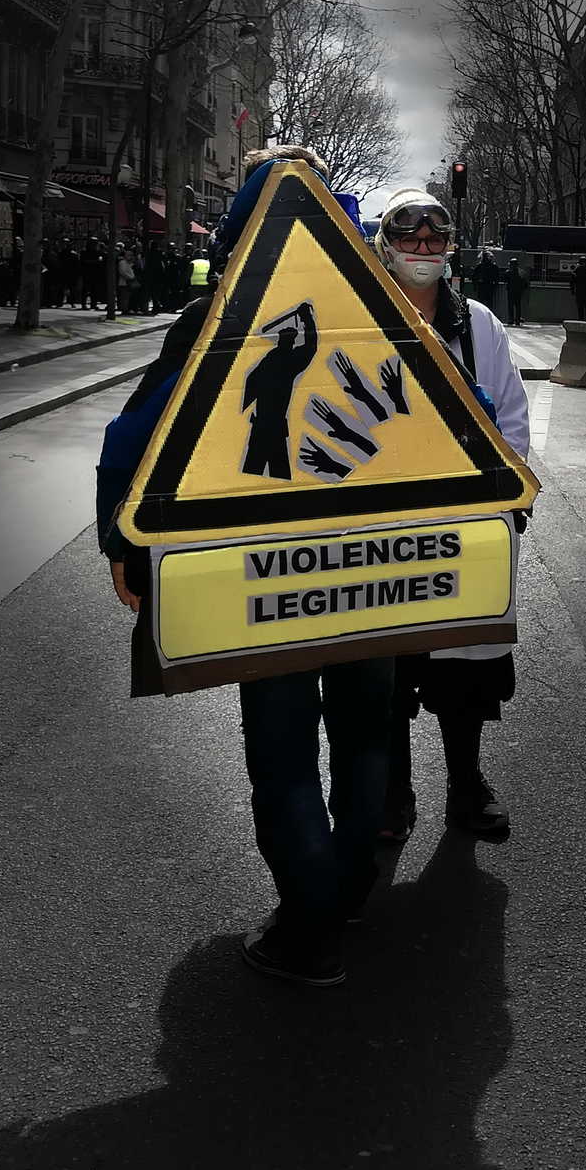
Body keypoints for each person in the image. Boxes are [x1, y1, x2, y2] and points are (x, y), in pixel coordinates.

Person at [97, 145, 392, 990]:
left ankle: (310, 928)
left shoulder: (220, 316)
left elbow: (133, 440)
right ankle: (350, 890)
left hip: (268, 584)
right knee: (368, 736)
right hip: (372, 579)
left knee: (286, 755)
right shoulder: (379, 317)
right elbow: (466, 421)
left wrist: (124, 541)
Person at [371, 187, 531, 847]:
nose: (423, 250)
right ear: (387, 247)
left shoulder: (481, 326)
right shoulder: (357, 321)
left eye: (435, 240)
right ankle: (393, 793)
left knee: (462, 676)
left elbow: (513, 418)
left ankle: (466, 785)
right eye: (410, 239)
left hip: (462, 533)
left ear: (450, 247)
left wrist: (506, 500)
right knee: (387, 671)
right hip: (383, 533)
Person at [503, 258, 528, 327]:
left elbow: (504, 280)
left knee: (510, 306)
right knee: (518, 306)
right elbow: (525, 283)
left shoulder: (508, 272)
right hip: (519, 292)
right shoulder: (522, 272)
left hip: (511, 291)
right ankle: (517, 320)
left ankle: (511, 319)